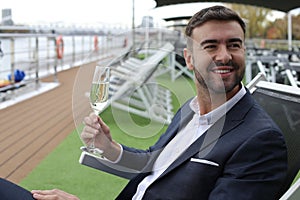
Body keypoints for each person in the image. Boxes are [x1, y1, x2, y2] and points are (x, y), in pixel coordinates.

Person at [31, 5, 287, 199]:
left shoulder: (261, 141)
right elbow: (157, 161)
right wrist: (110, 149)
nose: (224, 56)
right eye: (210, 46)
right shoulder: (190, 109)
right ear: (188, 59)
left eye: (234, 45)